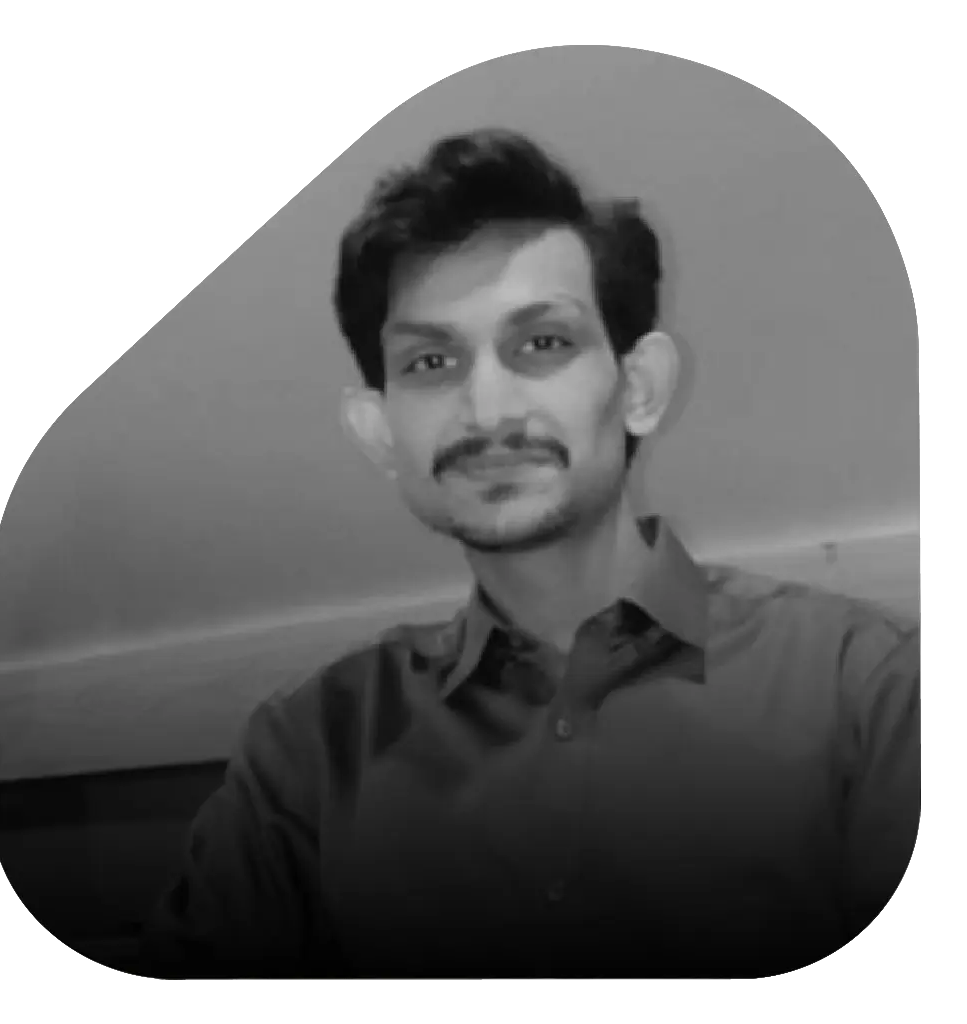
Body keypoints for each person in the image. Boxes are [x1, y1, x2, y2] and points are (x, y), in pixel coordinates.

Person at [141, 129, 922, 980]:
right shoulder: (307, 752)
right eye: (430, 361)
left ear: (639, 388)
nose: (487, 410)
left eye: (542, 343)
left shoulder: (868, 691)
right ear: (381, 433)